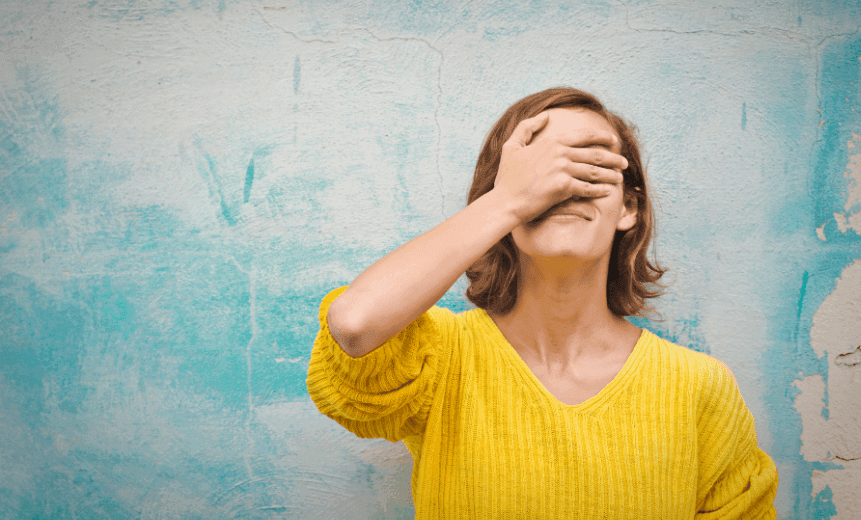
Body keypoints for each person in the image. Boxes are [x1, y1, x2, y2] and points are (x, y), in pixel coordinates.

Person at [306, 87, 778, 518]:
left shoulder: (699, 388)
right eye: (540, 166)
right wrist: (509, 200)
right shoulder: (441, 358)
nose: (563, 183)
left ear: (629, 207)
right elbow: (355, 324)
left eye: (591, 164)